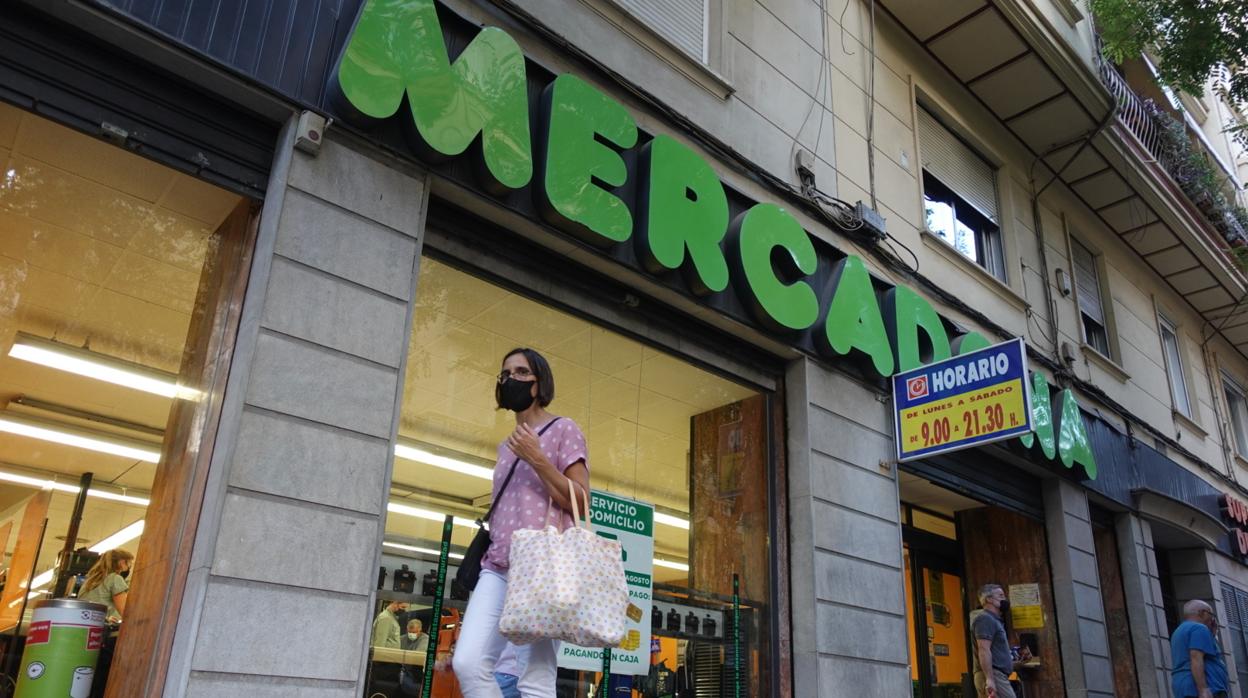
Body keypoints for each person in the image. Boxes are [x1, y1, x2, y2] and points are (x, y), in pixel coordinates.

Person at [452, 347, 590, 698]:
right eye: (505, 374)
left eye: (521, 372)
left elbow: (581, 502)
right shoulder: (504, 447)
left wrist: (538, 459)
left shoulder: (563, 429)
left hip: (543, 567)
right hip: (498, 564)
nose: (510, 379)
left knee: (535, 679)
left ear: (538, 382)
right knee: (468, 663)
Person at [970, 584, 1031, 698]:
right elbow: (983, 649)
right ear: (989, 599)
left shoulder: (994, 620)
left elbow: (994, 654)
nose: (1004, 599)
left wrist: (1015, 663)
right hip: (993, 675)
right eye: (1001, 596)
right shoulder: (985, 619)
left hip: (997, 674)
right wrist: (989, 679)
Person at [1171, 599, 1228, 698]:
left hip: (1184, 686)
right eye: (1211, 614)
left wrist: (1213, 635)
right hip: (1205, 687)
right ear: (1202, 613)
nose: (1212, 619)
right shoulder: (1199, 628)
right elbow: (1196, 658)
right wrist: (1203, 689)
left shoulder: (1179, 631)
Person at [78, 549, 133, 623]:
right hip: (101, 628)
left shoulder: (88, 581)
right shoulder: (115, 578)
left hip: (84, 623)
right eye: (129, 563)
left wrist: (106, 619)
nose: (130, 566)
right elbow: (125, 612)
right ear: (122, 562)